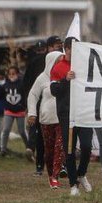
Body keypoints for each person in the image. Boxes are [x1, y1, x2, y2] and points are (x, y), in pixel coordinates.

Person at [50, 37, 93, 196]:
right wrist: (65, 80)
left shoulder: (85, 65)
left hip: (83, 111)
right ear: (66, 49)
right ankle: (73, 183)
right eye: (72, 49)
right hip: (66, 113)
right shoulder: (58, 68)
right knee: (69, 149)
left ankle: (82, 174)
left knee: (87, 146)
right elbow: (54, 90)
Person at [27, 50, 64, 189]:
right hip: (46, 119)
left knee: (60, 147)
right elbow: (33, 95)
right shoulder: (42, 78)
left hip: (62, 118)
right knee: (49, 151)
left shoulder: (65, 76)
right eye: (58, 60)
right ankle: (50, 175)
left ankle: (55, 176)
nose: (61, 63)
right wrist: (32, 113)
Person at [1, 65, 30, 158]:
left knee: (22, 131)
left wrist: (25, 106)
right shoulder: (5, 84)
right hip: (8, 111)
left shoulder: (22, 84)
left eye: (13, 73)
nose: (11, 75)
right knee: (5, 130)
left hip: (20, 111)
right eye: (9, 74)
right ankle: (3, 149)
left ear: (17, 74)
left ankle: (29, 148)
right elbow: (0, 94)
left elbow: (26, 95)